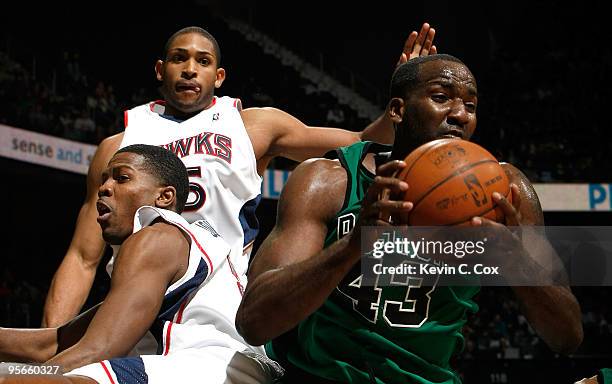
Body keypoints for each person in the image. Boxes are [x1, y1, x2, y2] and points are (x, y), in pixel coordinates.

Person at [42, 24, 438, 328]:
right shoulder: (118, 144)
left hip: (221, 305)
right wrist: (51, 346)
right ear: (160, 70)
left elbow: (361, 142)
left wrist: (400, 103)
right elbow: (82, 257)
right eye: (179, 59)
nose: (190, 69)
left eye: (202, 61)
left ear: (219, 76)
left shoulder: (254, 125)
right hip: (134, 303)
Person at [236, 54, 583, 383]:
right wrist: (351, 246)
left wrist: (515, 258)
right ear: (398, 110)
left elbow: (568, 337)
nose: (460, 114)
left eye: (471, 105)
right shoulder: (328, 181)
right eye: (441, 97)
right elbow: (254, 321)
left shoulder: (506, 193)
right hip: (319, 375)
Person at [0, 144, 279, 383]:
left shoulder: (157, 237)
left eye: (122, 178)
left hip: (209, 366)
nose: (105, 189)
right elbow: (54, 343)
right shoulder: (177, 251)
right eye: (104, 180)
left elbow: (96, 350)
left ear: (164, 197)